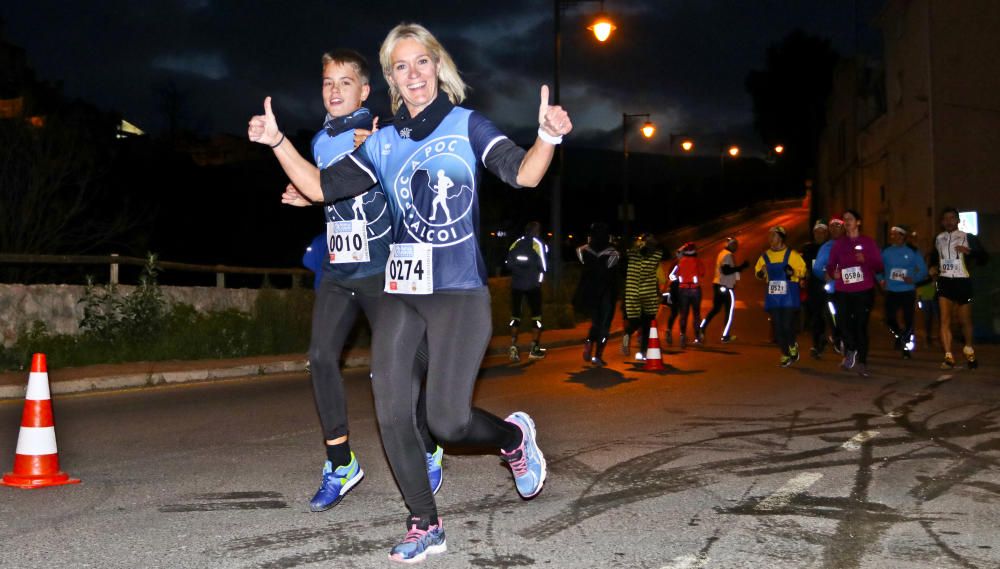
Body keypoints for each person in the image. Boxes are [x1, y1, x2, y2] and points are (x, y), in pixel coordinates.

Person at [249, 23, 570, 563]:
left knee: (447, 421)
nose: (413, 73)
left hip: (459, 294)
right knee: (393, 409)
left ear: (437, 66)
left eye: (421, 62)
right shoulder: (383, 141)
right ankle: (425, 522)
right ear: (393, 79)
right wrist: (278, 142)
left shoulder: (467, 125)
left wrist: (548, 137)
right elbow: (321, 188)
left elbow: (525, 176)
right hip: (401, 290)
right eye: (401, 66)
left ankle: (513, 439)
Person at [278, 50, 442, 514]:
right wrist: (309, 198)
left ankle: (428, 444)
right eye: (328, 82)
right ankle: (340, 462)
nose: (334, 91)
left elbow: (406, 183)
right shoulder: (318, 141)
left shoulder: (382, 133)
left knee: (402, 366)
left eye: (345, 82)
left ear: (365, 91)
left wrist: (382, 152)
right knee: (320, 357)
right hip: (338, 269)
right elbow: (333, 191)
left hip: (381, 271)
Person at [825, 209, 883, 377]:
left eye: (850, 219)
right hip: (843, 290)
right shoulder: (839, 244)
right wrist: (833, 272)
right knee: (842, 324)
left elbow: (879, 266)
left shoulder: (868, 242)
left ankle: (863, 362)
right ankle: (851, 349)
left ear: (858, 222)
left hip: (864, 291)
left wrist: (866, 260)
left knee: (861, 326)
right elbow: (831, 265)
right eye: (845, 220)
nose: (847, 222)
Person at [929, 207, 988, 369]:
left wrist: (969, 251)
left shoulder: (968, 237)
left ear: (958, 221)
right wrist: (932, 267)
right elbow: (934, 258)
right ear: (941, 222)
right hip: (945, 282)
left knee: (964, 321)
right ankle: (948, 356)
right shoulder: (938, 238)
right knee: (945, 320)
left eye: (952, 218)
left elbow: (984, 257)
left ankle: (968, 348)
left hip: (963, 282)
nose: (948, 221)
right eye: (945, 218)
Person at [755, 226, 806, 367]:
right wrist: (761, 273)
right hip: (774, 296)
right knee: (777, 327)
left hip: (789, 295)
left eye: (774, 236)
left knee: (787, 324)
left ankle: (792, 345)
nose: (770, 239)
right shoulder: (765, 256)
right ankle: (784, 353)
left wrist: (793, 272)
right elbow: (758, 272)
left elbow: (802, 271)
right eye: (769, 236)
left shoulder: (792, 255)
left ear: (781, 238)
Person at [878, 224, 927, 359]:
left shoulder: (912, 251)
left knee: (908, 320)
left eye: (897, 234)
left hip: (907, 290)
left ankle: (905, 347)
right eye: (892, 234)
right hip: (891, 291)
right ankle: (900, 336)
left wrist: (913, 279)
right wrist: (881, 280)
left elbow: (923, 270)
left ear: (903, 236)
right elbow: (877, 267)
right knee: (889, 319)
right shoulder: (886, 251)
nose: (893, 236)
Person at [574, 222, 620, 366]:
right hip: (607, 292)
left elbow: (582, 261)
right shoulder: (613, 252)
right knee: (605, 325)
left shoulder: (583, 250)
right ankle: (598, 355)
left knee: (595, 322)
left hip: (590, 292)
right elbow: (613, 270)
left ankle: (589, 341)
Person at [505, 221, 548, 362]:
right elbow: (544, 266)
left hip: (516, 285)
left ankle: (513, 346)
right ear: (536, 231)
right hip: (532, 286)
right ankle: (534, 348)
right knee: (537, 317)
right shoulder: (537, 244)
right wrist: (540, 280)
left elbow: (508, 262)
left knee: (515, 316)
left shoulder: (516, 243)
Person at [698, 237, 748, 343]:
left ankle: (701, 329)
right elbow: (726, 270)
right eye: (735, 245)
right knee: (728, 312)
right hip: (725, 286)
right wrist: (741, 267)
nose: (736, 247)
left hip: (718, 285)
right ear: (730, 245)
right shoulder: (728, 255)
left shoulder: (722, 253)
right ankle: (725, 336)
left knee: (715, 309)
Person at [621, 233, 662, 360]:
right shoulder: (654, 258)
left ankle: (627, 334)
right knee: (647, 324)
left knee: (635, 321)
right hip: (648, 294)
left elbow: (623, 270)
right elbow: (659, 277)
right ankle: (643, 352)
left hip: (632, 293)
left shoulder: (632, 256)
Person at [812, 217, 845, 354]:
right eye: (832, 227)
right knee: (831, 314)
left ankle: (848, 341)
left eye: (838, 226)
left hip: (850, 289)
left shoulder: (851, 244)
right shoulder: (826, 247)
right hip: (832, 289)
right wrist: (824, 274)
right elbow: (818, 267)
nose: (835, 229)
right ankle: (837, 338)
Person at [800, 219, 831, 358]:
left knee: (831, 315)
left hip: (830, 286)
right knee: (815, 316)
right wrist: (802, 278)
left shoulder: (832, 247)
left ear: (826, 233)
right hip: (813, 286)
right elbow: (802, 266)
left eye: (822, 232)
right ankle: (816, 343)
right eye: (817, 232)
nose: (819, 234)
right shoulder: (807, 248)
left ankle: (835, 338)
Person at [674, 241, 706, 348]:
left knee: (684, 314)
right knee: (696, 314)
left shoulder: (681, 261)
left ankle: (682, 336)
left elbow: (675, 274)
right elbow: (702, 273)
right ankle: (698, 337)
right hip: (695, 290)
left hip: (683, 290)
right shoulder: (697, 261)